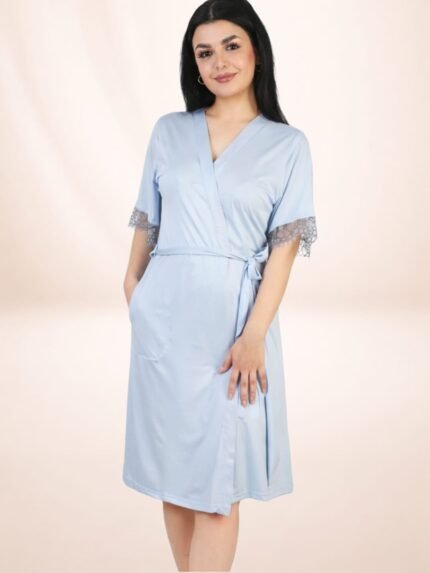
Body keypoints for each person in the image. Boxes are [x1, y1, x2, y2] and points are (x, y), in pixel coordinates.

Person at [122, 0, 318, 570]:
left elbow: (283, 254)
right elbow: (146, 228)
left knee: (216, 487)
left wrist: (254, 335)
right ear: (195, 65)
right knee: (174, 479)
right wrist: (136, 297)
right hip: (164, 328)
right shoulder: (169, 131)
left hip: (233, 333)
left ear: (257, 50)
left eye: (231, 46)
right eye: (204, 52)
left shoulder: (288, 145)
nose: (219, 62)